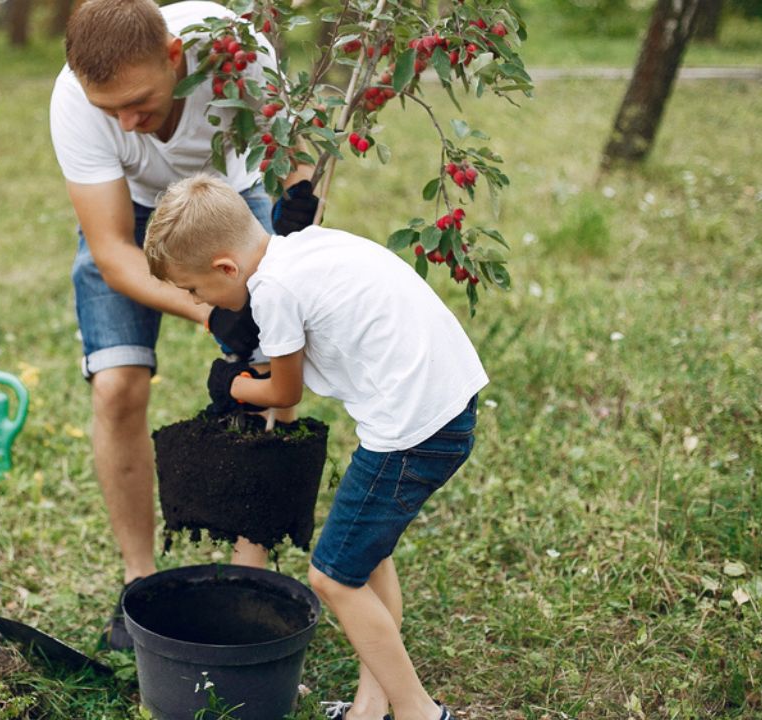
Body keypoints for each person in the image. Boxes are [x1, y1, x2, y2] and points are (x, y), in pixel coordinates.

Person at [144, 175, 485, 720]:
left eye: (194, 290)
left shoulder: (272, 290)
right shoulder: (303, 246)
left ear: (226, 268)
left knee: (331, 576)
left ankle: (420, 712)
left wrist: (230, 385)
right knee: (369, 560)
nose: (196, 301)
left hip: (412, 429)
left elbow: (284, 391)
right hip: (443, 402)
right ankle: (370, 710)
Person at [49, 0, 318, 650]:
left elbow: (297, 156)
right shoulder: (74, 102)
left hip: (230, 198)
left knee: (264, 365)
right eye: (110, 110)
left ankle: (248, 579)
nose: (128, 122)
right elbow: (113, 251)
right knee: (117, 387)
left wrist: (297, 211)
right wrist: (211, 310)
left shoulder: (237, 54)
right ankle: (139, 584)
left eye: (139, 102)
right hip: (136, 216)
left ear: (175, 58)